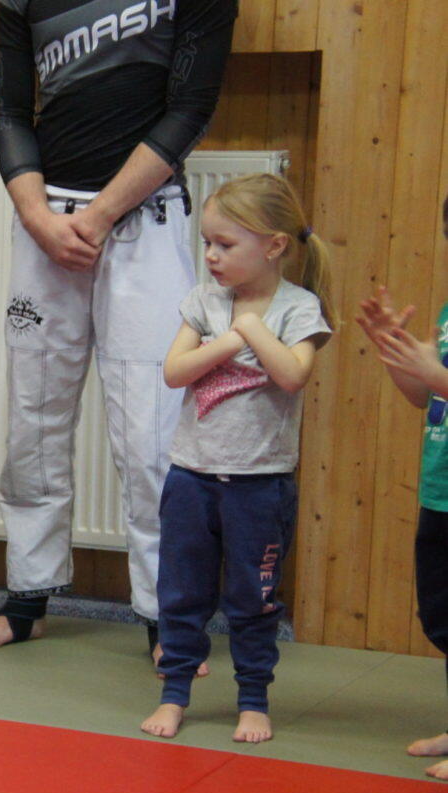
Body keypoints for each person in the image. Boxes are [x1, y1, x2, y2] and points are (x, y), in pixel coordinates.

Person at [0, 0, 236, 658]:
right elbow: (9, 109)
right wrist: (35, 216)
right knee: (32, 417)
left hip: (146, 218)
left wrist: (105, 212)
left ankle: (164, 619)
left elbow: (191, 107)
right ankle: (27, 599)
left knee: (152, 432)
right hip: (46, 221)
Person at [138, 174, 331, 744]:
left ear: (273, 246)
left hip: (259, 485)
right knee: (181, 592)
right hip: (192, 477)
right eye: (207, 243)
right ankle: (174, 693)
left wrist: (250, 326)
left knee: (254, 598)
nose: (212, 256)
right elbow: (175, 372)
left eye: (226, 244)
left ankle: (253, 698)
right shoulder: (204, 301)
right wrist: (226, 341)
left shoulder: (300, 308)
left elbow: (293, 375)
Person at [356, 194, 448, 780]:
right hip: (440, 490)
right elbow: (426, 396)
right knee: (441, 617)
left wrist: (436, 373)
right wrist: (399, 357)